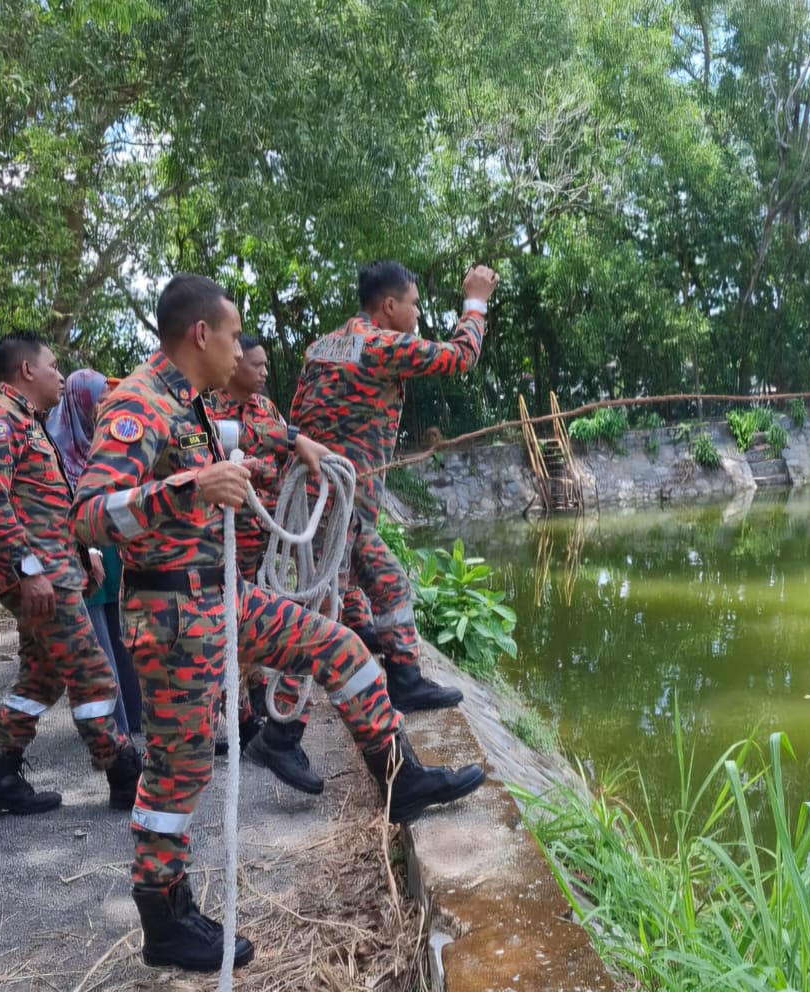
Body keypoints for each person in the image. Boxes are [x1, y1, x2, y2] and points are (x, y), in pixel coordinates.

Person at [71, 273, 485, 973]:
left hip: (221, 597)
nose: (241, 352)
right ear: (201, 334)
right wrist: (189, 486)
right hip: (173, 614)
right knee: (180, 771)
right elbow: (88, 513)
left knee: (342, 647)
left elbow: (255, 427)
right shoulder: (137, 403)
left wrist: (296, 443)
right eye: (233, 336)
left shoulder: (193, 405)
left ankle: (399, 777)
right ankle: (165, 917)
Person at [290, 260, 498, 713]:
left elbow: (297, 421)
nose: (418, 315)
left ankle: (404, 679)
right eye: (415, 305)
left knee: (390, 585)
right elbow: (460, 357)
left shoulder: (320, 348)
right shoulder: (379, 345)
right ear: (388, 306)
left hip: (329, 503)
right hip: (338, 505)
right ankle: (284, 731)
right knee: (319, 618)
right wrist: (476, 300)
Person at [0, 334, 142, 815]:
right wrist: (29, 570)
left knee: (42, 677)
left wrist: (81, 549)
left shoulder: (31, 422)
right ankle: (124, 773)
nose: (61, 376)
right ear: (27, 371)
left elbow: (43, 503)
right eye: (53, 366)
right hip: (37, 573)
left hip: (56, 566)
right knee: (92, 672)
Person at [205, 335, 322, 794]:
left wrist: (267, 467)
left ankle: (252, 723)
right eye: (256, 364)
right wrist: (286, 444)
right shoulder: (207, 413)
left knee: (253, 641)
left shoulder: (266, 409)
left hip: (263, 541)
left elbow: (280, 465)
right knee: (229, 635)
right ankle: (228, 726)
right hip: (221, 546)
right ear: (233, 367)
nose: (263, 371)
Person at [46, 368, 142, 735]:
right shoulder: (58, 444)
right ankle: (114, 731)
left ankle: (136, 718)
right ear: (81, 400)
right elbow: (63, 508)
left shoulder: (106, 441)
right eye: (100, 397)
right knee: (98, 644)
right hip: (84, 555)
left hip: (115, 551)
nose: (106, 404)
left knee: (124, 640)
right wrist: (88, 551)